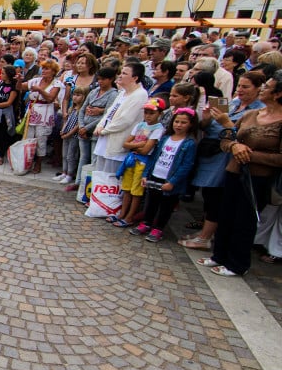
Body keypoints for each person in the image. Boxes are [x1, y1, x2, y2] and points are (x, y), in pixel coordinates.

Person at [200, 72, 282, 276]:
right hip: (234, 171)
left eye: (267, 87)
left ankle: (237, 263)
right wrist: (234, 145)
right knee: (226, 214)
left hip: (259, 178)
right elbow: (226, 138)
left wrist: (249, 154)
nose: (263, 89)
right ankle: (219, 255)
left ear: (278, 94)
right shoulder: (252, 115)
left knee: (244, 220)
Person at [181, 72, 266, 250]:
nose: (240, 90)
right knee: (208, 194)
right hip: (211, 151)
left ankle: (206, 237)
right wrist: (206, 119)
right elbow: (208, 127)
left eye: (245, 87)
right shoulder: (233, 102)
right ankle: (206, 230)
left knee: (216, 196)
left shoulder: (258, 110)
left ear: (258, 89)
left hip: (226, 156)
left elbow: (245, 135)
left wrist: (226, 122)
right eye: (239, 86)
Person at [130, 108, 199, 242]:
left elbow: (186, 165)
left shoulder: (189, 143)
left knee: (166, 206)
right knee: (151, 202)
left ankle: (158, 228)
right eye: (177, 121)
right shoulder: (165, 138)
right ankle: (147, 223)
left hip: (170, 179)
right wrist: (146, 174)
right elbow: (154, 156)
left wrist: (173, 182)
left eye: (183, 122)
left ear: (190, 124)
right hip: (156, 174)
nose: (179, 125)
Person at [111, 97, 166, 228]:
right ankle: (122, 213)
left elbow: (147, 150)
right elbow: (125, 143)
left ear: (160, 113)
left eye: (152, 113)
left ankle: (130, 216)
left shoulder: (158, 129)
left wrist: (136, 145)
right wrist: (140, 144)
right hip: (131, 160)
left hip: (143, 163)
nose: (148, 116)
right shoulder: (139, 125)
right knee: (127, 188)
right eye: (146, 112)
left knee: (136, 191)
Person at [92, 63, 148, 174]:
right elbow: (109, 112)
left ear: (135, 78)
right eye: (121, 73)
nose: (120, 76)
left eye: (124, 73)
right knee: (99, 176)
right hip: (104, 139)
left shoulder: (140, 94)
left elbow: (125, 120)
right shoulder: (122, 93)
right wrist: (100, 125)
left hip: (117, 141)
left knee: (110, 177)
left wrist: (105, 130)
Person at [22, 59, 64, 174]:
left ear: (53, 71)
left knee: (41, 139)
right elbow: (21, 87)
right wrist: (18, 80)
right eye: (43, 68)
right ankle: (27, 162)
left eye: (47, 68)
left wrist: (40, 90)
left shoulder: (57, 84)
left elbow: (50, 98)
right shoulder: (36, 80)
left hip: (45, 114)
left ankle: (39, 163)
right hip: (32, 112)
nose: (44, 70)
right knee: (28, 138)